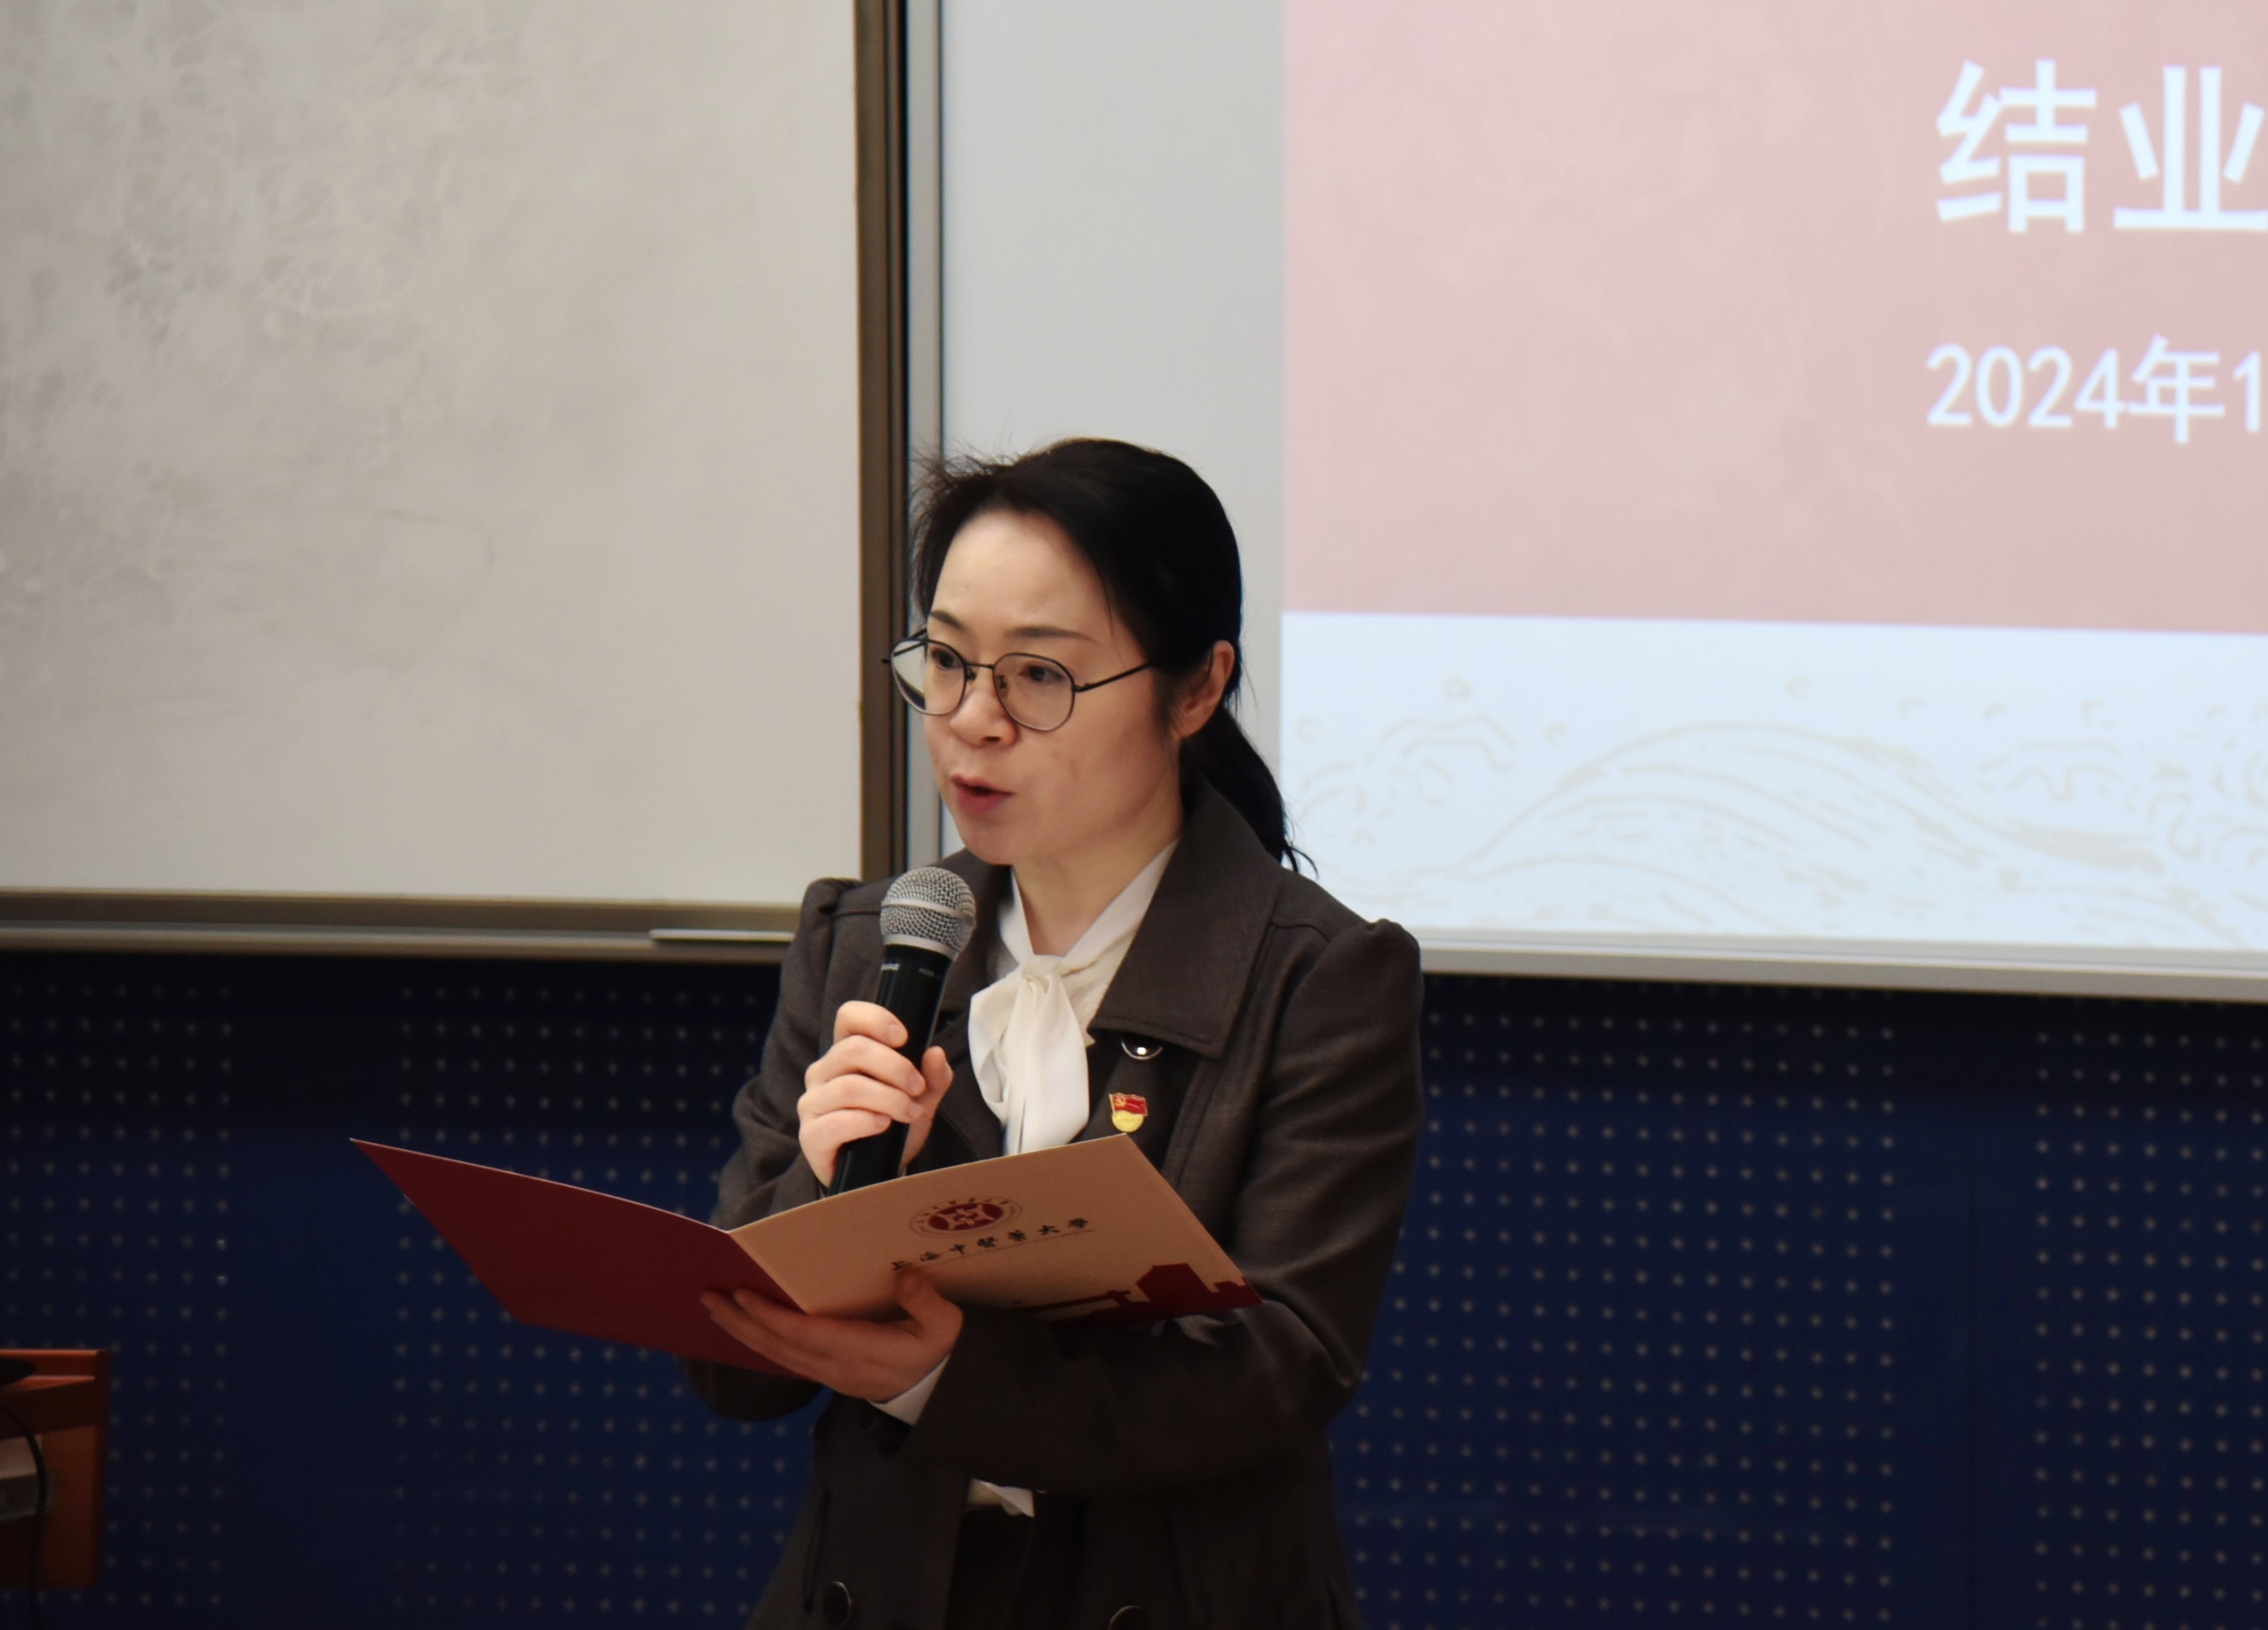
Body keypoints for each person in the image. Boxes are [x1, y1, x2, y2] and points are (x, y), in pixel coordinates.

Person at [684, 439, 1423, 1629]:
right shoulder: (866, 941)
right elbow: (731, 1375)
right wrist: (817, 1191)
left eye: (1039, 675)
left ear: (1196, 689)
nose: (973, 722)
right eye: (947, 661)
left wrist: (942, 1377)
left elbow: (1283, 1365)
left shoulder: (1318, 975)